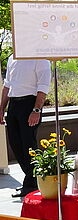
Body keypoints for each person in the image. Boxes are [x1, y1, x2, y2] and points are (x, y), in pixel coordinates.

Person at [0, 55, 51, 197]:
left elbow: (43, 87)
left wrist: (36, 110)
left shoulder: (40, 59)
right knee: (15, 144)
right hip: (14, 105)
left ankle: (31, 183)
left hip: (30, 104)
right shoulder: (12, 58)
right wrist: (1, 108)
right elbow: (7, 85)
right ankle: (32, 179)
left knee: (29, 146)